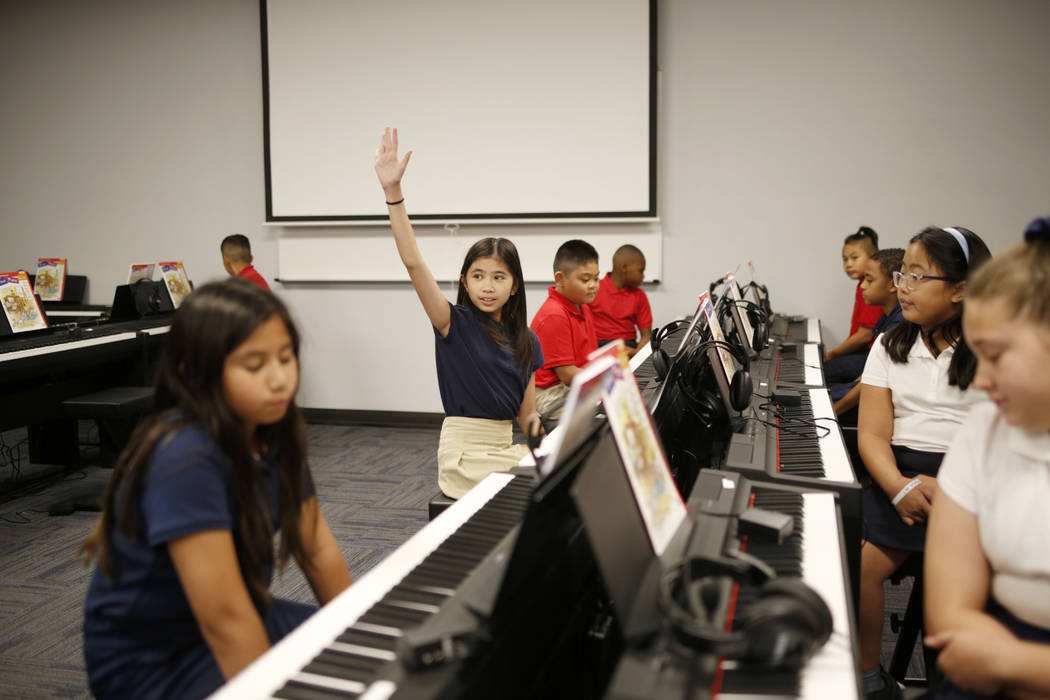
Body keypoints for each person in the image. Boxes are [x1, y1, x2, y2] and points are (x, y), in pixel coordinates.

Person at [81, 278, 352, 700]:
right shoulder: (185, 457)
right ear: (197, 371)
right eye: (254, 365)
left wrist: (364, 635)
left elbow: (315, 547)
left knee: (373, 660)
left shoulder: (274, 428)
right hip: (155, 660)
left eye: (286, 358)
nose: (280, 379)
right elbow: (224, 621)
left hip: (243, 611)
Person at [856, 226, 991, 700]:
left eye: (917, 277)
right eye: (901, 275)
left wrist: (955, 487)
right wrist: (897, 486)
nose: (902, 288)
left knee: (954, 586)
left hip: (970, 482)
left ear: (960, 290)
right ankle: (869, 674)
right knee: (861, 560)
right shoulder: (890, 345)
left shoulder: (992, 351)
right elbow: (872, 433)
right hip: (900, 473)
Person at [373, 127, 543, 499]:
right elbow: (413, 262)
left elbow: (528, 418)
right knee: (529, 492)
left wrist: (549, 454)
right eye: (478, 276)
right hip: (463, 454)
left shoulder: (527, 340)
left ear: (514, 286)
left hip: (505, 447)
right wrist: (393, 193)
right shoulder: (453, 323)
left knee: (560, 483)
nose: (487, 286)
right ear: (464, 282)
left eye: (499, 277)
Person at [922, 217, 1050, 699]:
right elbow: (950, 611)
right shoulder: (983, 430)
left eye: (995, 356)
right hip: (989, 643)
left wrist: (1012, 664)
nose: (980, 380)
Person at [530, 239, 601, 420]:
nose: (593, 285)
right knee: (599, 416)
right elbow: (568, 375)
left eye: (596, 278)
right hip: (548, 392)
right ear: (560, 279)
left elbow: (588, 360)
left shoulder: (582, 306)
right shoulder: (554, 315)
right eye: (585, 279)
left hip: (570, 384)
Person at [831, 247, 905, 418]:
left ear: (891, 284)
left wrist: (834, 411)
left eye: (869, 280)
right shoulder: (888, 316)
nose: (863, 286)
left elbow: (870, 383)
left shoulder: (900, 323)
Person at [825, 226, 883, 382]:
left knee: (824, 370)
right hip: (861, 353)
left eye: (854, 258)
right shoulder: (861, 285)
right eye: (845, 259)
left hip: (869, 356)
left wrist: (833, 353)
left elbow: (865, 336)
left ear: (872, 258)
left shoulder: (872, 288)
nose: (848, 264)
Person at [590, 244, 653, 358]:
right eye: (640, 270)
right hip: (598, 348)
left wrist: (637, 352)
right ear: (624, 267)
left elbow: (646, 335)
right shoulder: (594, 289)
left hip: (628, 347)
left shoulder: (639, 295)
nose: (643, 276)